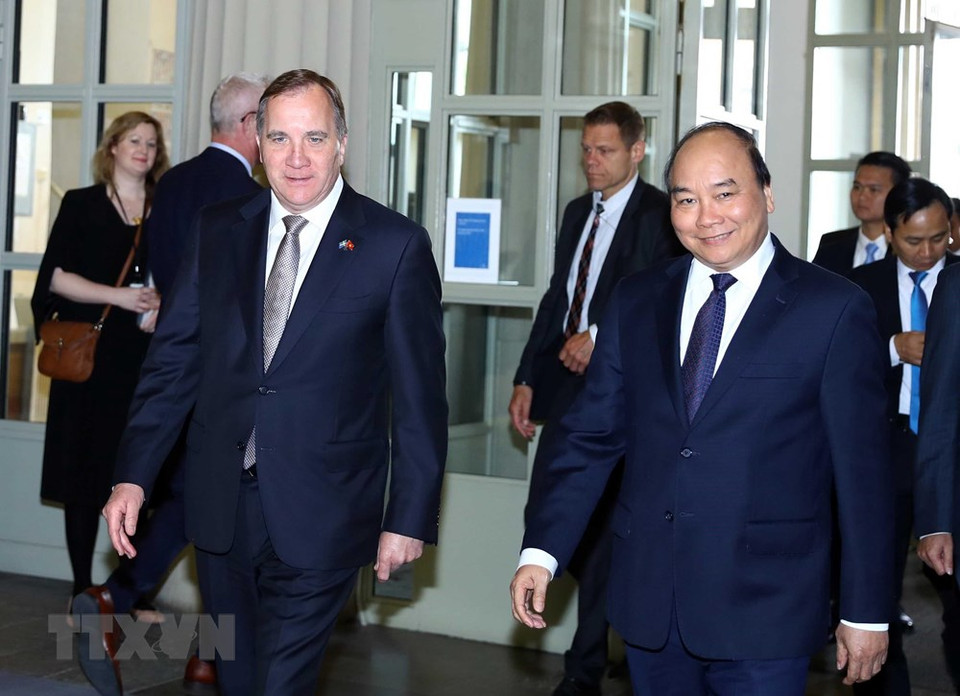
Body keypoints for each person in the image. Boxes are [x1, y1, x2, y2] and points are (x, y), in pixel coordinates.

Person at [89, 69, 447, 696]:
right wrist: (133, 474)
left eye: (314, 137)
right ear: (256, 141)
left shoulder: (395, 246)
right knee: (239, 676)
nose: (298, 157)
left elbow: (420, 401)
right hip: (222, 506)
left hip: (326, 509)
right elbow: (174, 364)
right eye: (279, 138)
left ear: (341, 142)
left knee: (281, 682)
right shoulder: (219, 228)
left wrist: (408, 516)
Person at [510, 121, 895, 696]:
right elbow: (590, 437)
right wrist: (542, 549)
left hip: (767, 609)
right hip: (651, 607)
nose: (705, 215)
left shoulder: (833, 310)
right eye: (686, 199)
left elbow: (863, 475)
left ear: (766, 193)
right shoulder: (638, 301)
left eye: (724, 192)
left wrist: (866, 610)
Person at [73, 72, 269, 694]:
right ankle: (124, 599)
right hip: (224, 381)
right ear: (248, 127)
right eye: (268, 127)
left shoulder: (175, 181)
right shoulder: (246, 195)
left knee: (197, 503)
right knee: (205, 506)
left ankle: (200, 652)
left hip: (170, 369)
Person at [508, 101, 677, 696]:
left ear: (637, 151)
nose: (591, 160)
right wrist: (526, 376)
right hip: (565, 387)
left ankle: (585, 668)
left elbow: (662, 299)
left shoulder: (662, 216)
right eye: (586, 149)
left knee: (607, 537)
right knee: (551, 516)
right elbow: (559, 297)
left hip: (626, 396)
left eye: (605, 150)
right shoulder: (580, 211)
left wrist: (601, 335)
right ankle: (620, 626)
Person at [30, 110, 167, 612]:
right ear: (112, 147)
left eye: (151, 144)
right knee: (83, 474)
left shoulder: (161, 205)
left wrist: (159, 302)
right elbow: (57, 278)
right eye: (134, 140)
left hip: (141, 359)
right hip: (89, 358)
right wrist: (122, 297)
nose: (143, 151)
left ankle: (127, 590)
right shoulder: (82, 203)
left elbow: (176, 272)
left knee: (137, 475)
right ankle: (81, 587)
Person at [850, 177, 960, 694]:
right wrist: (892, 346)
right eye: (914, 241)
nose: (928, 252)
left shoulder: (958, 283)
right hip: (885, 449)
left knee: (952, 592)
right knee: (876, 585)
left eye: (939, 238)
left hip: (950, 455)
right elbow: (836, 369)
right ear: (890, 233)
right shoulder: (858, 286)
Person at [813, 151, 912, 276]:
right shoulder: (831, 244)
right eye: (857, 187)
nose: (862, 197)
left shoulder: (909, 247)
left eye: (873, 190)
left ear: (898, 194)